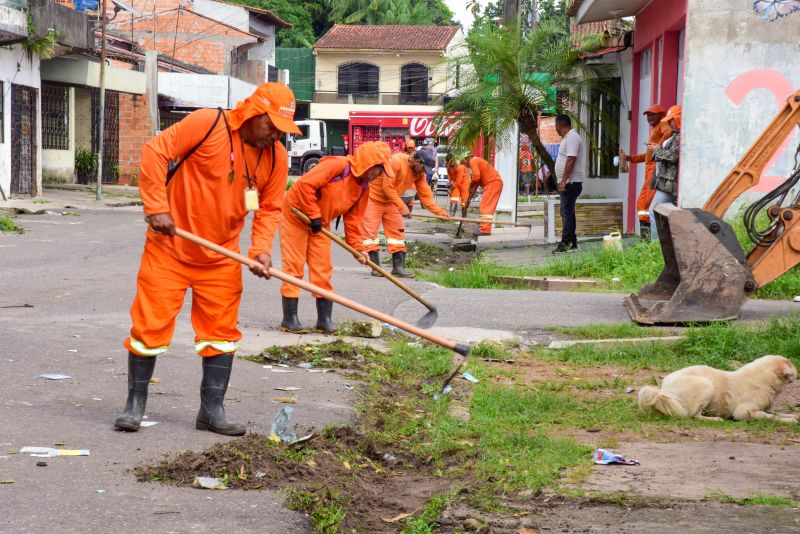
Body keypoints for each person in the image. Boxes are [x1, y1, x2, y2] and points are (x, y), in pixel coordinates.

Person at [115, 83, 301, 436]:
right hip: (169, 249)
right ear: (252, 113)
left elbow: (269, 207)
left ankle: (211, 411)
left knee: (222, 334)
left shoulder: (276, 157)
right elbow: (155, 152)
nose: (275, 135)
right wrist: (157, 207)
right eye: (271, 126)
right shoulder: (207, 124)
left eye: (282, 129)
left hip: (221, 256)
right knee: (148, 328)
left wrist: (260, 250)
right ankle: (134, 404)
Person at [279, 142, 394, 334]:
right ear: (369, 163)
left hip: (320, 224)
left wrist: (358, 249)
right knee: (294, 266)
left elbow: (354, 221)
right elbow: (304, 185)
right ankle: (289, 319)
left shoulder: (363, 187)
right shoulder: (339, 166)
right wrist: (313, 214)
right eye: (379, 170)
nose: (379, 175)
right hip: (297, 216)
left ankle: (324, 320)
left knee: (322, 269)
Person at [361, 151, 449, 278]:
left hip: (391, 202)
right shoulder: (397, 161)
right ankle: (375, 267)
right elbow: (387, 187)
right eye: (424, 168)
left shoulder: (419, 173)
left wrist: (440, 212)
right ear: (418, 161)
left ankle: (398, 268)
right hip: (372, 199)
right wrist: (403, 207)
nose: (424, 172)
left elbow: (425, 196)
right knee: (370, 235)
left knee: (397, 234)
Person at [623, 104, 671, 238]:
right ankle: (645, 238)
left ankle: (649, 239)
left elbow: (668, 132)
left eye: (652, 114)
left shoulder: (663, 122)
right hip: (649, 171)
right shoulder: (656, 128)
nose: (649, 117)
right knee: (642, 204)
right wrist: (630, 158)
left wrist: (658, 147)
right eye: (648, 115)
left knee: (647, 203)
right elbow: (647, 156)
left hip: (654, 170)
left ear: (660, 115)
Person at [552, 114, 586, 254]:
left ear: (560, 125)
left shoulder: (572, 137)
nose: (556, 129)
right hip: (569, 182)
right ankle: (572, 243)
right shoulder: (568, 138)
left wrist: (564, 181)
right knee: (567, 213)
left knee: (567, 213)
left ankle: (565, 243)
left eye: (556, 126)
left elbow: (571, 159)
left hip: (571, 183)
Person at [649, 105, 682, 240]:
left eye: (672, 120)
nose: (670, 123)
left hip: (670, 183)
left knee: (654, 211)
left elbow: (673, 156)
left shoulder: (681, 137)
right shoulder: (676, 135)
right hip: (666, 182)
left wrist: (657, 150)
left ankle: (657, 247)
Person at [463, 155, 504, 236]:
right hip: (494, 183)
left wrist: (470, 184)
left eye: (463, 162)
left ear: (466, 159)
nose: (464, 165)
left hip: (492, 183)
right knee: (486, 206)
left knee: (486, 206)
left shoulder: (473, 161)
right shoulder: (477, 162)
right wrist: (468, 200)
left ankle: (485, 230)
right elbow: (475, 186)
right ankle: (485, 228)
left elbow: (476, 178)